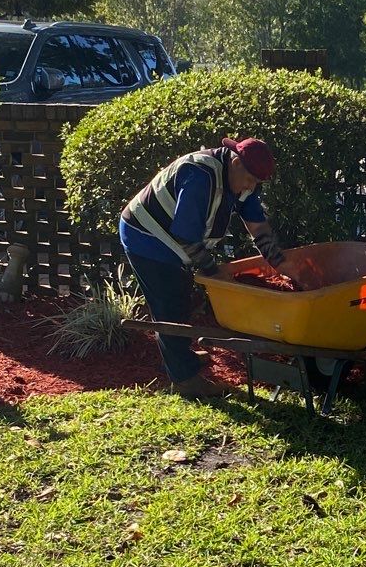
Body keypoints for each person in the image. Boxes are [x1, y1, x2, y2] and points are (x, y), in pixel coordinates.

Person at [119, 136, 291, 398]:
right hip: (146, 236)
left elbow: (257, 225)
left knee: (180, 298)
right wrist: (214, 272)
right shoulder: (200, 176)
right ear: (235, 161)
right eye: (249, 180)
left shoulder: (244, 178)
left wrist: (280, 263)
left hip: (173, 239)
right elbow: (186, 237)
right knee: (169, 305)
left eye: (256, 183)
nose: (250, 186)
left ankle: (180, 357)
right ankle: (185, 380)